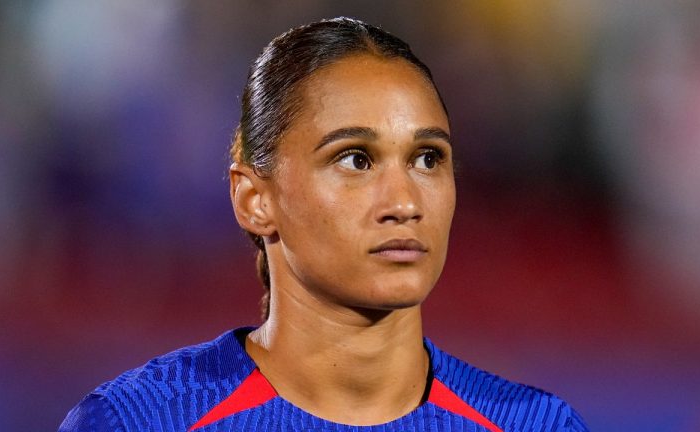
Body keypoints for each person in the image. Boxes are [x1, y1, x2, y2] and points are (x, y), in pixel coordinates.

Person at [59, 17, 589, 432]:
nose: (404, 202)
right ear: (253, 198)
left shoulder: (535, 425)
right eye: (355, 159)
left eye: (428, 158)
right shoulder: (141, 421)